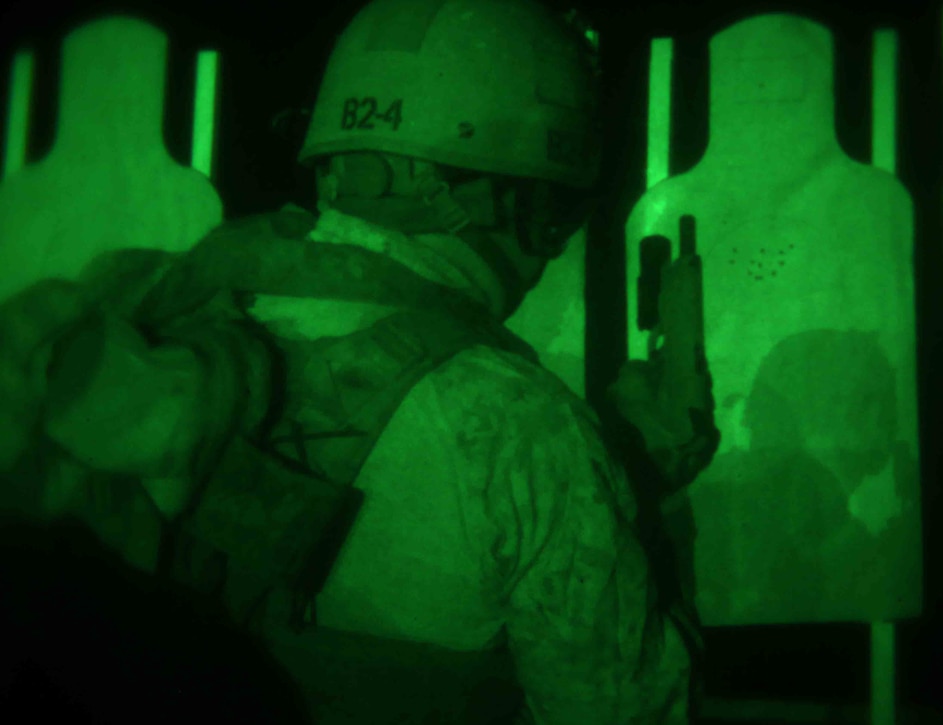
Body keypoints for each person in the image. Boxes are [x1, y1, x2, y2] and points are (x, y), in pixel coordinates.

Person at [0, 1, 710, 722]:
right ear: (501, 196)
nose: (547, 247)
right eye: (552, 211)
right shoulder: (523, 426)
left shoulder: (184, 317)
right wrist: (626, 505)